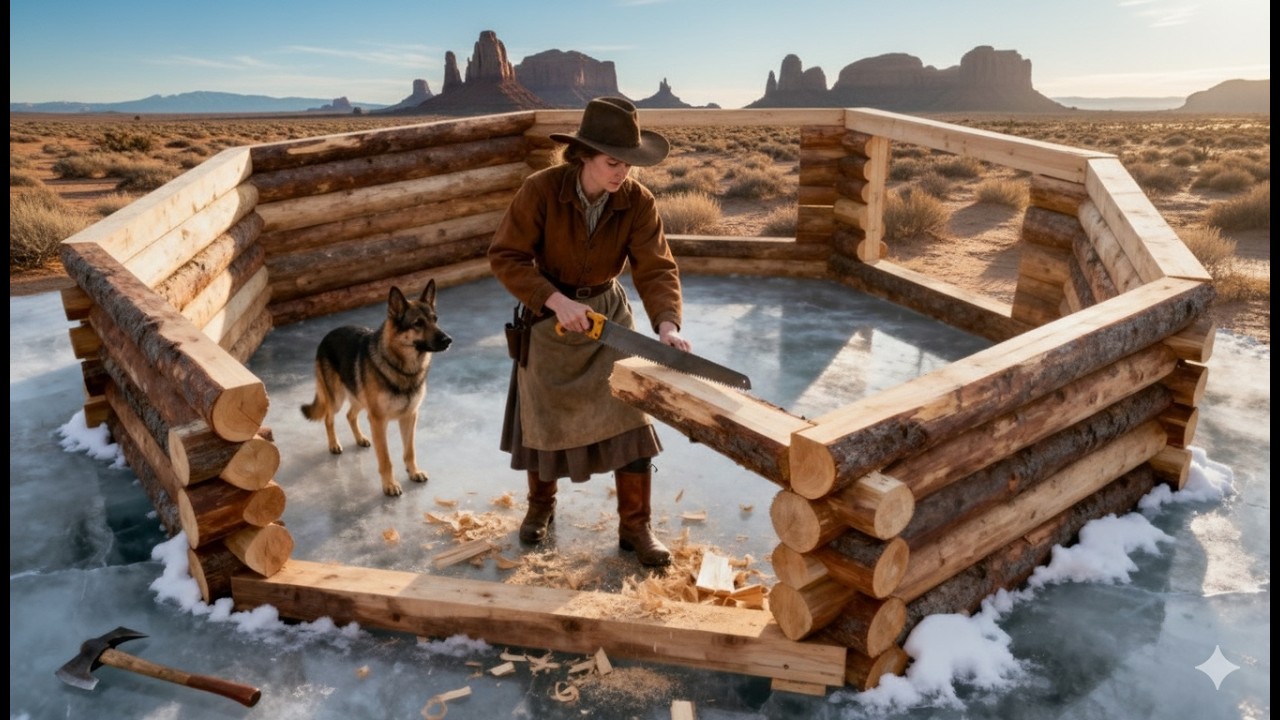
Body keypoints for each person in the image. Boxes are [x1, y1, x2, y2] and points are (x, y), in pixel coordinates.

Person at [488, 97, 689, 567]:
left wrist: (667, 325)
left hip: (608, 318)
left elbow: (657, 268)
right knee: (543, 420)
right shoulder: (540, 190)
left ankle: (635, 527)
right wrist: (555, 301)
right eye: (612, 162)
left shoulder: (638, 201)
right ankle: (541, 508)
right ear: (583, 155)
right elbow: (507, 257)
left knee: (632, 418)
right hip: (547, 314)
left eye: (629, 163)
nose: (622, 173)